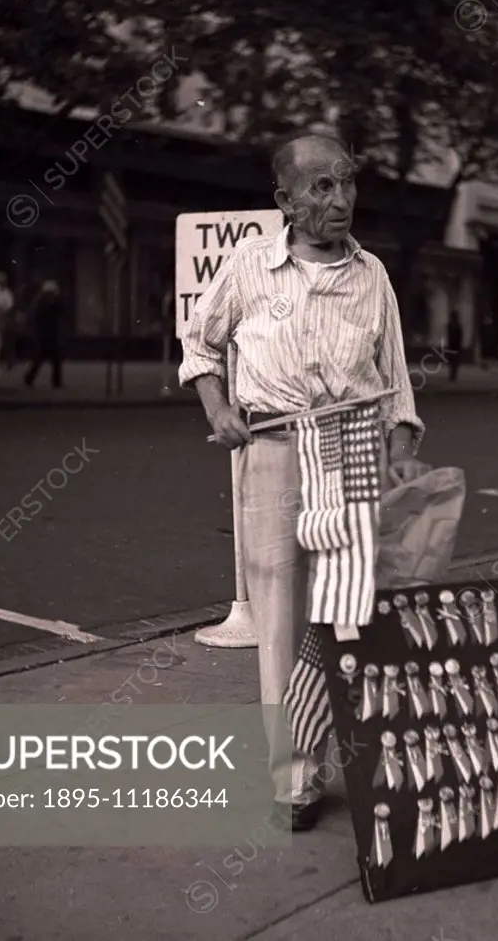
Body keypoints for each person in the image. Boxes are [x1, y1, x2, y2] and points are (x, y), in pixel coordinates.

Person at [179, 130, 425, 832]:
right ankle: (295, 779)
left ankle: (359, 752)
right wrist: (220, 409)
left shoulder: (371, 274)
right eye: (322, 187)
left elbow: (398, 381)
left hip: (350, 452)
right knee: (280, 619)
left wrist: (402, 453)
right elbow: (200, 343)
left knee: (344, 614)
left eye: (347, 182)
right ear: (285, 200)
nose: (341, 198)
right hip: (273, 451)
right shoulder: (250, 266)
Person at [24, 280, 64, 388]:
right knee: (53, 359)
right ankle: (56, 382)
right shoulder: (49, 301)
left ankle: (30, 378)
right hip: (49, 335)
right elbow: (57, 313)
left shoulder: (39, 301)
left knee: (43, 358)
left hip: (44, 334)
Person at [0, 271, 17, 371]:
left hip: (4, 318)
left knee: (7, 341)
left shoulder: (7, 293)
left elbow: (9, 306)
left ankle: (10, 361)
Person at [446, 310, 463, 382]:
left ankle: (453, 376)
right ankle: (452, 376)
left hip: (455, 346)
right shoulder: (451, 325)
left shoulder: (455, 326)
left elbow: (459, 336)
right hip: (453, 346)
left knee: (454, 362)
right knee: (453, 361)